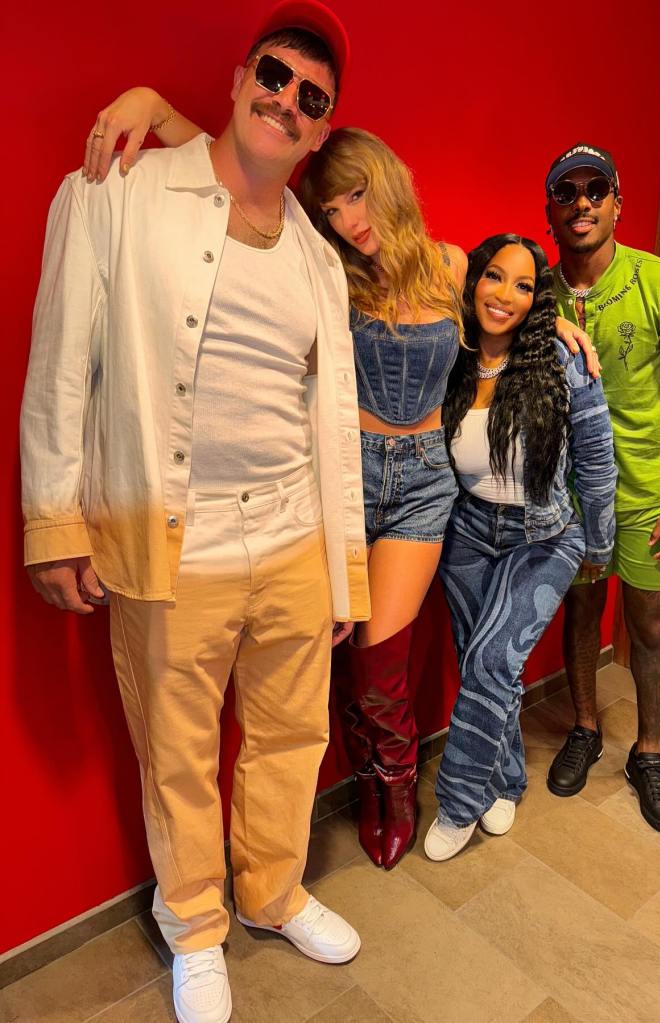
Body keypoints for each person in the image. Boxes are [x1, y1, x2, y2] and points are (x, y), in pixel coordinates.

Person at [84, 89, 602, 873]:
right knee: (325, 651)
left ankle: (392, 789)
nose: (349, 218)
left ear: (386, 180)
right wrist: (157, 112)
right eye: (332, 207)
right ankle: (370, 780)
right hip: (346, 477)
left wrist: (552, 318)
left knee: (378, 656)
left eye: (356, 194)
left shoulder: (449, 266)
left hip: (426, 484)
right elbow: (236, 174)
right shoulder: (322, 266)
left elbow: (509, 298)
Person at [21, 5, 370, 1023]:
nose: (288, 101)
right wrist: (55, 520)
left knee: (292, 733)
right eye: (275, 74)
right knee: (176, 750)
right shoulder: (118, 194)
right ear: (238, 78)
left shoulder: (312, 251)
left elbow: (333, 426)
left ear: (319, 129)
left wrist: (342, 569)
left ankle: (272, 892)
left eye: (313, 97)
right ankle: (196, 926)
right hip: (179, 535)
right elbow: (60, 368)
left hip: (296, 535)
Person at [423, 235, 617, 861]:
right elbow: (410, 250)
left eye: (526, 286)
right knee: (476, 655)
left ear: (540, 299)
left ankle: (457, 804)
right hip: (467, 533)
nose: (506, 295)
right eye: (494, 278)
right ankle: (505, 779)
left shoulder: (560, 362)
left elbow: (595, 458)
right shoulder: (449, 356)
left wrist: (601, 543)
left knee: (491, 662)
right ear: (472, 281)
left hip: (545, 535)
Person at [543, 143, 660, 836]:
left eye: (595, 189)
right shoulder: (535, 288)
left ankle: (646, 752)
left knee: (647, 624)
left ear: (617, 201)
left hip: (647, 492)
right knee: (581, 616)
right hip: (569, 494)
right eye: (565, 191)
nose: (580, 202)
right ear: (549, 207)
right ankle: (584, 726)